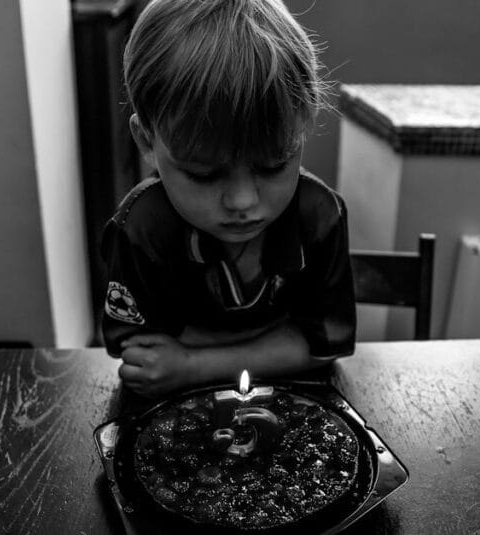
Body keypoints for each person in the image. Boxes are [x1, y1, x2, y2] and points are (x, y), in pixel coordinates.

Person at [101, 0, 355, 398]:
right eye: (204, 174)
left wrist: (192, 363)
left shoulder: (318, 216)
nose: (242, 201)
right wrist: (279, 342)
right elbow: (140, 358)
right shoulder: (140, 228)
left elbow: (325, 349)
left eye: (273, 166)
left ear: (304, 124)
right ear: (147, 142)